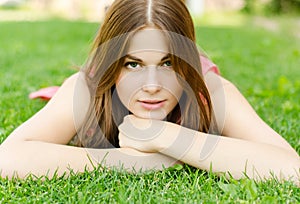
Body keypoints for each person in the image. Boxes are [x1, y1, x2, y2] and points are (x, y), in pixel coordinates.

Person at [0, 0, 299, 185]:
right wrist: (128, 161)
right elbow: (8, 159)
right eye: (133, 64)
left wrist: (164, 137)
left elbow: (291, 169)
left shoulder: (207, 88)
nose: (152, 85)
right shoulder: (89, 87)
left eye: (168, 63)